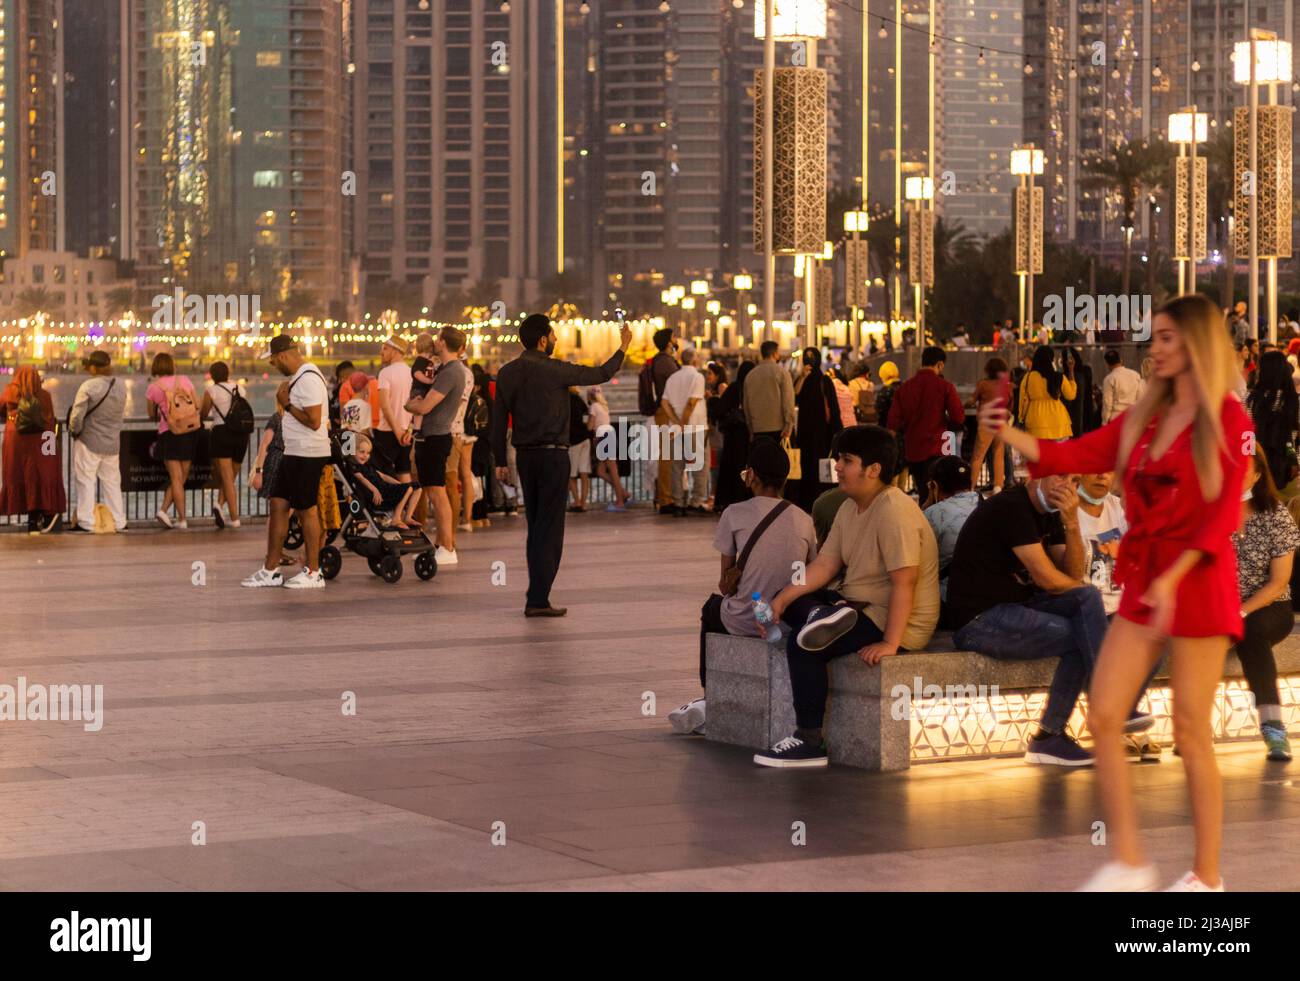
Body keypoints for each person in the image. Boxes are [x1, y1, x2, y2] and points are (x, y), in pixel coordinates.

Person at [982, 292, 1252, 892]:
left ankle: (1206, 879)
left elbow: (1221, 518)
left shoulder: (1230, 419)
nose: (1152, 350)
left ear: (1196, 345)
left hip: (1198, 583)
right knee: (1104, 714)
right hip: (1146, 580)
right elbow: (1074, 453)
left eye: (1165, 339)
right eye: (1152, 338)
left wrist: (1171, 579)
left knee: (1190, 732)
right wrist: (1011, 434)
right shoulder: (1145, 420)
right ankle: (1129, 862)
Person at [753, 425, 940, 767]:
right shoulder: (848, 507)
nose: (837, 466)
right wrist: (780, 601)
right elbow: (825, 563)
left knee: (804, 646)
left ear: (874, 470)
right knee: (792, 598)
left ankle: (808, 741)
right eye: (839, 458)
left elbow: (905, 582)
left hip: (891, 618)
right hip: (854, 605)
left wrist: (891, 644)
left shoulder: (894, 510)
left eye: (847, 460)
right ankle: (818, 617)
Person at [946, 471, 1126, 766]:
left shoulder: (1053, 513)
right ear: (1035, 476)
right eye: (1059, 476)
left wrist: (1070, 523)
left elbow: (1070, 575)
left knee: (1086, 600)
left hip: (1019, 607)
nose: (1066, 486)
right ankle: (1079, 719)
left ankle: (1057, 733)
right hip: (979, 620)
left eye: (1073, 482)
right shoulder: (1011, 507)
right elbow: (1048, 580)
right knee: (1084, 625)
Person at [670, 438, 818, 736]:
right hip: (783, 621)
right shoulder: (804, 519)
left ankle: (709, 693)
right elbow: (810, 571)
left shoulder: (734, 513)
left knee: (710, 609)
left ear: (751, 475)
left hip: (744, 619)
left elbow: (725, 584)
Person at [490, 312, 631, 616]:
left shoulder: (507, 372)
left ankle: (536, 594)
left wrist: (500, 461)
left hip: (525, 457)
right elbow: (602, 373)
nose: (555, 339)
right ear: (542, 339)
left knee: (536, 525)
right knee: (550, 528)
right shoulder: (556, 370)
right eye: (552, 335)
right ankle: (539, 599)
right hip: (553, 456)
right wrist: (623, 346)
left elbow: (499, 420)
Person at [242, 335, 332, 589]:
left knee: (306, 510)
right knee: (278, 504)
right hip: (293, 453)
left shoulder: (309, 379)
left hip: (308, 453)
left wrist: (287, 405)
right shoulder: (298, 379)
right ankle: (270, 570)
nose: (273, 366)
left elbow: (314, 421)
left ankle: (314, 572)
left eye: (272, 361)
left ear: (282, 355)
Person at [1233, 446, 1299, 762]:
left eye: (1243, 468)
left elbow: (1279, 582)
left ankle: (1273, 728)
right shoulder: (1210, 511)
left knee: (1251, 631)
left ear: (1258, 475)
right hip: (1220, 603)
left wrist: (1241, 611)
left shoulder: (1275, 514)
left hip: (1269, 606)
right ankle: (1191, 729)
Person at [404, 326, 471, 565]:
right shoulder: (445, 369)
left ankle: (447, 546)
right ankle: (441, 544)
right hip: (430, 436)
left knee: (438, 492)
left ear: (442, 342)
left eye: (437, 338)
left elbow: (423, 407)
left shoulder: (452, 372)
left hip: (437, 436)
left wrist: (409, 406)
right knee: (433, 491)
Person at [885, 345, 964, 496]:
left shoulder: (904, 388)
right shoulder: (945, 386)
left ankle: (923, 517)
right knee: (938, 492)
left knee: (923, 490)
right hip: (937, 447)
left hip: (913, 449)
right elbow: (958, 417)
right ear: (940, 364)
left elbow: (892, 423)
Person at [0, 365, 66, 533]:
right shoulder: (44, 396)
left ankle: (25, 516)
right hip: (41, 442)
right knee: (39, 476)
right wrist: (52, 448)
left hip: (15, 441)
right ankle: (36, 520)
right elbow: (50, 420)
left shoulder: (9, 393)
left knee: (16, 475)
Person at [67, 351, 127, 534]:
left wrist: (75, 431)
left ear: (93, 367)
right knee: (112, 483)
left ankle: (87, 521)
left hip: (89, 441)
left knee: (85, 480)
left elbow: (77, 416)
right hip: (112, 443)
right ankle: (118, 520)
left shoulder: (88, 386)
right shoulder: (121, 386)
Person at [145, 352, 200, 529]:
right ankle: (164, 511)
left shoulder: (154, 387)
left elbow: (150, 414)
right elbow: (197, 404)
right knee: (181, 477)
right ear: (172, 365)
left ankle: (181, 519)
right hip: (189, 431)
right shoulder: (184, 380)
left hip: (169, 433)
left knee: (176, 478)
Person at [791, 346, 843, 512]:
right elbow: (794, 398)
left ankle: (817, 501)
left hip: (820, 434)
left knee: (818, 467)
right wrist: (802, 378)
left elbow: (833, 408)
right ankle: (811, 501)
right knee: (810, 466)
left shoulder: (824, 381)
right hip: (810, 434)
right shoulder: (803, 380)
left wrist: (837, 433)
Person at [920, 456, 979, 602]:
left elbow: (916, 556)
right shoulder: (987, 504)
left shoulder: (934, 513)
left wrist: (927, 505)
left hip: (950, 596)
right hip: (985, 589)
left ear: (934, 485)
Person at [661, 346, 709, 515]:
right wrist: (683, 424)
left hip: (676, 428)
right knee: (700, 466)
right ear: (695, 360)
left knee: (676, 466)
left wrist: (675, 422)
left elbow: (664, 403)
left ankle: (678, 503)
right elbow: (691, 403)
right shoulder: (697, 377)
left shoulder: (672, 378)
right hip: (695, 426)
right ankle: (696, 502)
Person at [201, 361, 246, 529]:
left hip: (222, 433)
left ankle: (234, 518)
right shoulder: (240, 389)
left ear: (212, 375)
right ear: (228, 373)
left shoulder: (211, 391)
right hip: (241, 435)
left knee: (227, 479)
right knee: (231, 477)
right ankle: (219, 505)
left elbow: (203, 413)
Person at [1075, 471, 1127, 617]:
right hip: (1089, 613)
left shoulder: (1119, 507)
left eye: (1109, 470)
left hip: (1124, 609)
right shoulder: (1065, 511)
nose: (1102, 475)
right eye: (1094, 468)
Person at [1246, 349, 1298, 494]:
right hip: (1284, 467)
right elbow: (1292, 438)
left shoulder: (1250, 400)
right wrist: (1293, 460)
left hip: (1256, 465)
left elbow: (1247, 434)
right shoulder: (1292, 400)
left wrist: (1249, 461)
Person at [348, 432, 420, 528]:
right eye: (362, 452)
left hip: (385, 489)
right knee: (408, 489)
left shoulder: (369, 466)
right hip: (380, 495)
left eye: (368, 453)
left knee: (417, 487)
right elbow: (361, 479)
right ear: (352, 451)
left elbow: (384, 476)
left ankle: (408, 517)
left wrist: (399, 484)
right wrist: (374, 490)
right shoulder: (354, 467)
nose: (365, 455)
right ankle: (396, 519)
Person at [711, 361, 753, 511]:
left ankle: (727, 499)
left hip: (732, 437)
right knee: (745, 468)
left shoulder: (734, 388)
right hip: (747, 435)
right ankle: (745, 497)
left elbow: (719, 409)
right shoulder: (753, 388)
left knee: (730, 468)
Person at [648, 328, 680, 513]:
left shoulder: (661, 361)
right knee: (666, 457)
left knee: (667, 456)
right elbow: (677, 385)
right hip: (666, 412)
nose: (676, 340)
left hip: (665, 412)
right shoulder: (665, 363)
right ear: (668, 342)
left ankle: (665, 496)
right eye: (674, 338)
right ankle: (665, 499)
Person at [373, 335, 413, 485]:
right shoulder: (411, 373)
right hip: (406, 433)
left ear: (396, 351)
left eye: (385, 348)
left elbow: (385, 405)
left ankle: (390, 508)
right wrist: (407, 431)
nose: (381, 352)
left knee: (383, 475)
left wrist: (397, 432)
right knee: (404, 472)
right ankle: (408, 508)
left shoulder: (385, 373)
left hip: (388, 431)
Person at [1018, 345, 1077, 439]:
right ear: (1051, 360)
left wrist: (1022, 419)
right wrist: (1071, 372)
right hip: (1058, 424)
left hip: (1035, 424)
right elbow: (1071, 395)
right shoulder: (1059, 377)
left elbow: (1023, 401)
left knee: (1038, 453)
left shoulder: (1028, 377)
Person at [967, 357, 1008, 491]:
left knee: (978, 456)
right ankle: (998, 487)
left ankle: (971, 487)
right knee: (998, 455)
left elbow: (972, 401)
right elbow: (1010, 403)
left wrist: (965, 404)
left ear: (988, 370)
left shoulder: (983, 384)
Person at [743, 341, 794, 443]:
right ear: (774, 353)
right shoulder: (782, 373)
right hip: (778, 428)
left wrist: (750, 427)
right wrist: (789, 424)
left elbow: (746, 404)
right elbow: (787, 400)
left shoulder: (750, 375)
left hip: (757, 427)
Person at [587, 386, 628, 511]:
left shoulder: (593, 407)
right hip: (610, 433)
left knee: (612, 470)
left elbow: (590, 426)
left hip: (603, 436)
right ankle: (623, 493)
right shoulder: (603, 406)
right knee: (601, 471)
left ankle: (620, 501)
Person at [566, 386, 592, 513]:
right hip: (585, 438)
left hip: (573, 440)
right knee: (584, 473)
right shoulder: (578, 398)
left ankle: (576, 502)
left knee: (571, 474)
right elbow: (586, 414)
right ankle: (584, 502)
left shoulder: (564, 400)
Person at [1102, 348, 1143, 423]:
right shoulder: (1135, 375)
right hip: (1132, 416)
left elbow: (1107, 403)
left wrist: (1105, 421)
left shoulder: (1109, 379)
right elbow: (1140, 397)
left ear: (1107, 364)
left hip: (1116, 418)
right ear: (1121, 360)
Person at [339, 370, 377, 435]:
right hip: (361, 442)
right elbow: (365, 431)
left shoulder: (347, 406)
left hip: (349, 443)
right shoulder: (365, 406)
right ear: (365, 387)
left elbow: (345, 428)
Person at [828, 366, 857, 430]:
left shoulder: (831, 386)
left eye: (829, 373)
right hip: (852, 421)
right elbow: (853, 403)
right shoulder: (846, 387)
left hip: (841, 422)